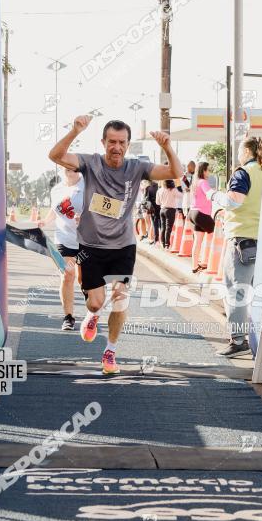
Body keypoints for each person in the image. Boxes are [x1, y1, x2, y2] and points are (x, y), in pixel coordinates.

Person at [48, 115, 182, 375]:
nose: (116, 147)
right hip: (90, 246)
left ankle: (110, 351)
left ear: (128, 144)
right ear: (103, 142)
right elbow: (55, 155)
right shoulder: (90, 163)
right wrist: (75, 130)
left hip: (123, 246)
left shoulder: (136, 168)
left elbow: (175, 173)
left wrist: (167, 147)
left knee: (120, 299)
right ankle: (92, 315)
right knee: (95, 303)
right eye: (112, 141)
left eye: (121, 142)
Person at [206, 136, 262, 356]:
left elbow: (234, 202)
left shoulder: (243, 172)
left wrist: (214, 195)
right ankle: (261, 340)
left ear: (247, 151)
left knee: (236, 292)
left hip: (242, 241)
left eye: (240, 150)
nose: (239, 155)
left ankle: (238, 341)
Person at [40, 168, 84, 331]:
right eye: (64, 164)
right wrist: (45, 221)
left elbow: (100, 209)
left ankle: (91, 312)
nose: (68, 168)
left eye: (71, 165)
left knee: (84, 280)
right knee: (67, 275)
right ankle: (68, 317)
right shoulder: (56, 190)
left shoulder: (88, 185)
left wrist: (86, 218)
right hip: (64, 239)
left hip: (87, 240)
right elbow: (54, 210)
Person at [188, 161, 215, 273]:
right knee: (219, 235)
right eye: (208, 170)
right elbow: (210, 194)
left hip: (193, 213)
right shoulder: (203, 182)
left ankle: (195, 267)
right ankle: (211, 263)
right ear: (203, 171)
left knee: (198, 241)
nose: (209, 172)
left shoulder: (195, 182)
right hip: (202, 214)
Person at [156, 179, 182, 249]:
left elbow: (157, 202)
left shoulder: (159, 190)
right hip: (170, 210)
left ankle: (163, 243)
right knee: (168, 228)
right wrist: (178, 186)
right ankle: (167, 244)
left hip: (162, 210)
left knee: (163, 227)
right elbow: (181, 195)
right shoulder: (173, 190)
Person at [143, 178, 160, 244]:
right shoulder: (159, 186)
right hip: (160, 207)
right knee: (161, 224)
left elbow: (146, 199)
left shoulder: (148, 188)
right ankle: (160, 240)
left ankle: (155, 239)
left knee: (154, 224)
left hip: (152, 208)